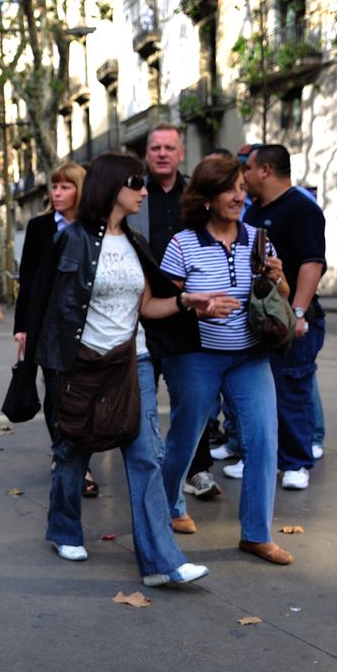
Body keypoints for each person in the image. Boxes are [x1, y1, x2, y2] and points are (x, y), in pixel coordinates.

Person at [20, 152, 231, 585]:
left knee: (147, 457)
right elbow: (45, 302)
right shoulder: (71, 239)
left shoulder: (134, 241)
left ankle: (160, 562)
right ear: (111, 185)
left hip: (133, 362)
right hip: (82, 365)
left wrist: (185, 301)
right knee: (73, 452)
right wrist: (39, 365)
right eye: (135, 182)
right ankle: (63, 528)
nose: (143, 190)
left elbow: (146, 306)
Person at [160, 154, 294, 566]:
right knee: (185, 436)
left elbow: (282, 295)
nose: (239, 196)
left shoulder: (259, 238)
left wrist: (278, 277)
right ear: (206, 198)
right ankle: (168, 507)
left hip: (250, 357)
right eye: (229, 189)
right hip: (196, 357)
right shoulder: (182, 244)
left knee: (263, 439)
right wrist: (196, 308)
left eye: (241, 188)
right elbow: (164, 304)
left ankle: (256, 534)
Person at [128, 123, 224, 505]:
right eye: (155, 148)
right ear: (147, 154)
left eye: (170, 147)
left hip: (189, 309)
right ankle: (148, 462)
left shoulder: (196, 196)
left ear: (181, 153)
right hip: (145, 309)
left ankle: (197, 468)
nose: (162, 153)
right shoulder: (135, 194)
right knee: (143, 394)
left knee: (191, 393)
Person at [243, 143, 327, 492]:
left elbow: (312, 263)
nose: (243, 175)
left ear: (265, 169)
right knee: (261, 393)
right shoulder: (252, 214)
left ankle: (296, 463)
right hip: (262, 318)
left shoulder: (301, 208)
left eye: (248, 168)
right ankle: (264, 457)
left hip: (292, 317)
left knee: (293, 388)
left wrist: (298, 313)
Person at [16, 161, 100, 498]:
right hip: (48, 325)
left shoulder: (96, 226)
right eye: (54, 186)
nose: (57, 192)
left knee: (87, 393)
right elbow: (28, 281)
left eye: (65, 186)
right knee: (55, 393)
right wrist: (22, 329)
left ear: (80, 190)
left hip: (89, 323)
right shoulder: (38, 227)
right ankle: (65, 454)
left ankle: (81, 455)